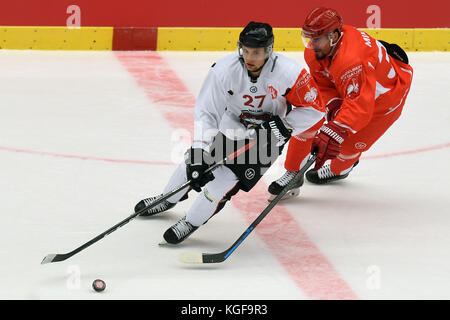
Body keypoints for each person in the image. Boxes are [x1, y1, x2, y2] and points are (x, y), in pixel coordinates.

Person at [134, 21, 325, 244]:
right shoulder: (223, 70)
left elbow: (315, 110)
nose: (249, 58)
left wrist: (283, 125)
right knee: (192, 166)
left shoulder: (291, 73)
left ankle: (191, 221)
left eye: (256, 52)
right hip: (233, 126)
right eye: (245, 51)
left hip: (267, 137)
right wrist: (200, 150)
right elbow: (207, 112)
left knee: (222, 182)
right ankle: (167, 199)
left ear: (269, 51)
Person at [268, 7, 413, 198]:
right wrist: (334, 105)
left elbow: (361, 106)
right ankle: (293, 173)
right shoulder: (316, 51)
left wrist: (335, 130)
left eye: (317, 39)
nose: (311, 44)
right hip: (353, 84)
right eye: (308, 38)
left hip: (386, 98)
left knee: (347, 146)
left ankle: (341, 169)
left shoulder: (352, 60)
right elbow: (323, 84)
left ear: (334, 36)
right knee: (309, 118)